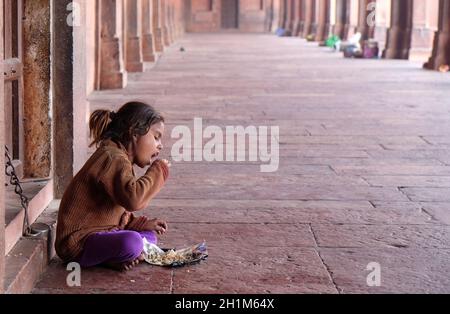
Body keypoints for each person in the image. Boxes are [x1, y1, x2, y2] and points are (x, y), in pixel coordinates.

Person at [55, 101, 170, 271]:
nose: (160, 145)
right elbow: (134, 200)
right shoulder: (112, 157)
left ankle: (112, 257)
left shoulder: (120, 157)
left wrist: (140, 224)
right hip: (78, 242)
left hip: (103, 233)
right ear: (134, 133)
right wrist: (158, 171)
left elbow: (115, 211)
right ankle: (114, 256)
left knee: (149, 236)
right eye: (156, 136)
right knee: (133, 242)